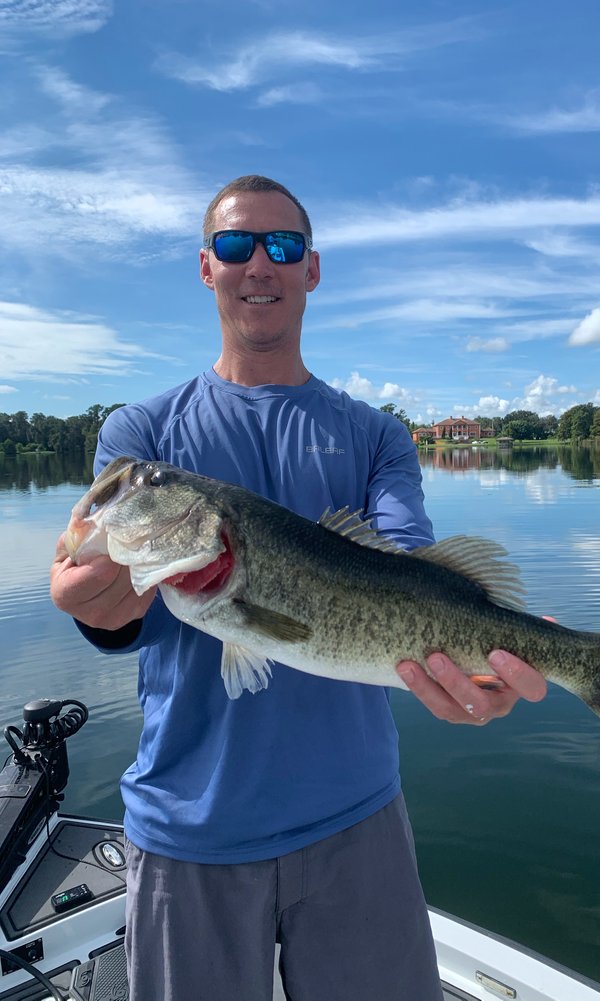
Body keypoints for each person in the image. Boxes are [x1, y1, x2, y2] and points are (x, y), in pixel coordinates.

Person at [50, 175, 547, 1001]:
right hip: (189, 829)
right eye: (238, 246)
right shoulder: (140, 436)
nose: (260, 264)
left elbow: (409, 575)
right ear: (206, 268)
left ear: (311, 269)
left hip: (359, 818)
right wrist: (100, 601)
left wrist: (484, 664)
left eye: (281, 246)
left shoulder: (376, 433)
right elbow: (113, 609)